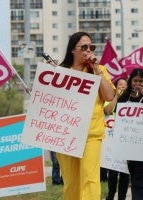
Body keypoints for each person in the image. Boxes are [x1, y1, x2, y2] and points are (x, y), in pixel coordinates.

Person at [56, 31, 116, 200]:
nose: (88, 50)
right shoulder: (61, 71)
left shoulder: (99, 70)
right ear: (73, 50)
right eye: (84, 47)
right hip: (66, 134)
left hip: (91, 133)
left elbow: (109, 96)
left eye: (91, 46)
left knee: (90, 179)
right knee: (71, 182)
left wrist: (96, 69)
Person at [117, 68, 143, 200]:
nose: (138, 83)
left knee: (142, 175)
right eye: (135, 81)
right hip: (129, 144)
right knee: (134, 174)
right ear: (130, 81)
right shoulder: (124, 97)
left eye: (141, 81)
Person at [105, 78, 130, 200]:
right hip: (112, 139)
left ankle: (122, 197)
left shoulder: (131, 99)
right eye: (120, 84)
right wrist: (115, 96)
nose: (123, 86)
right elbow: (107, 111)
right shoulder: (109, 98)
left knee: (125, 172)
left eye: (125, 84)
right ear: (115, 86)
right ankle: (110, 195)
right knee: (113, 171)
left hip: (126, 140)